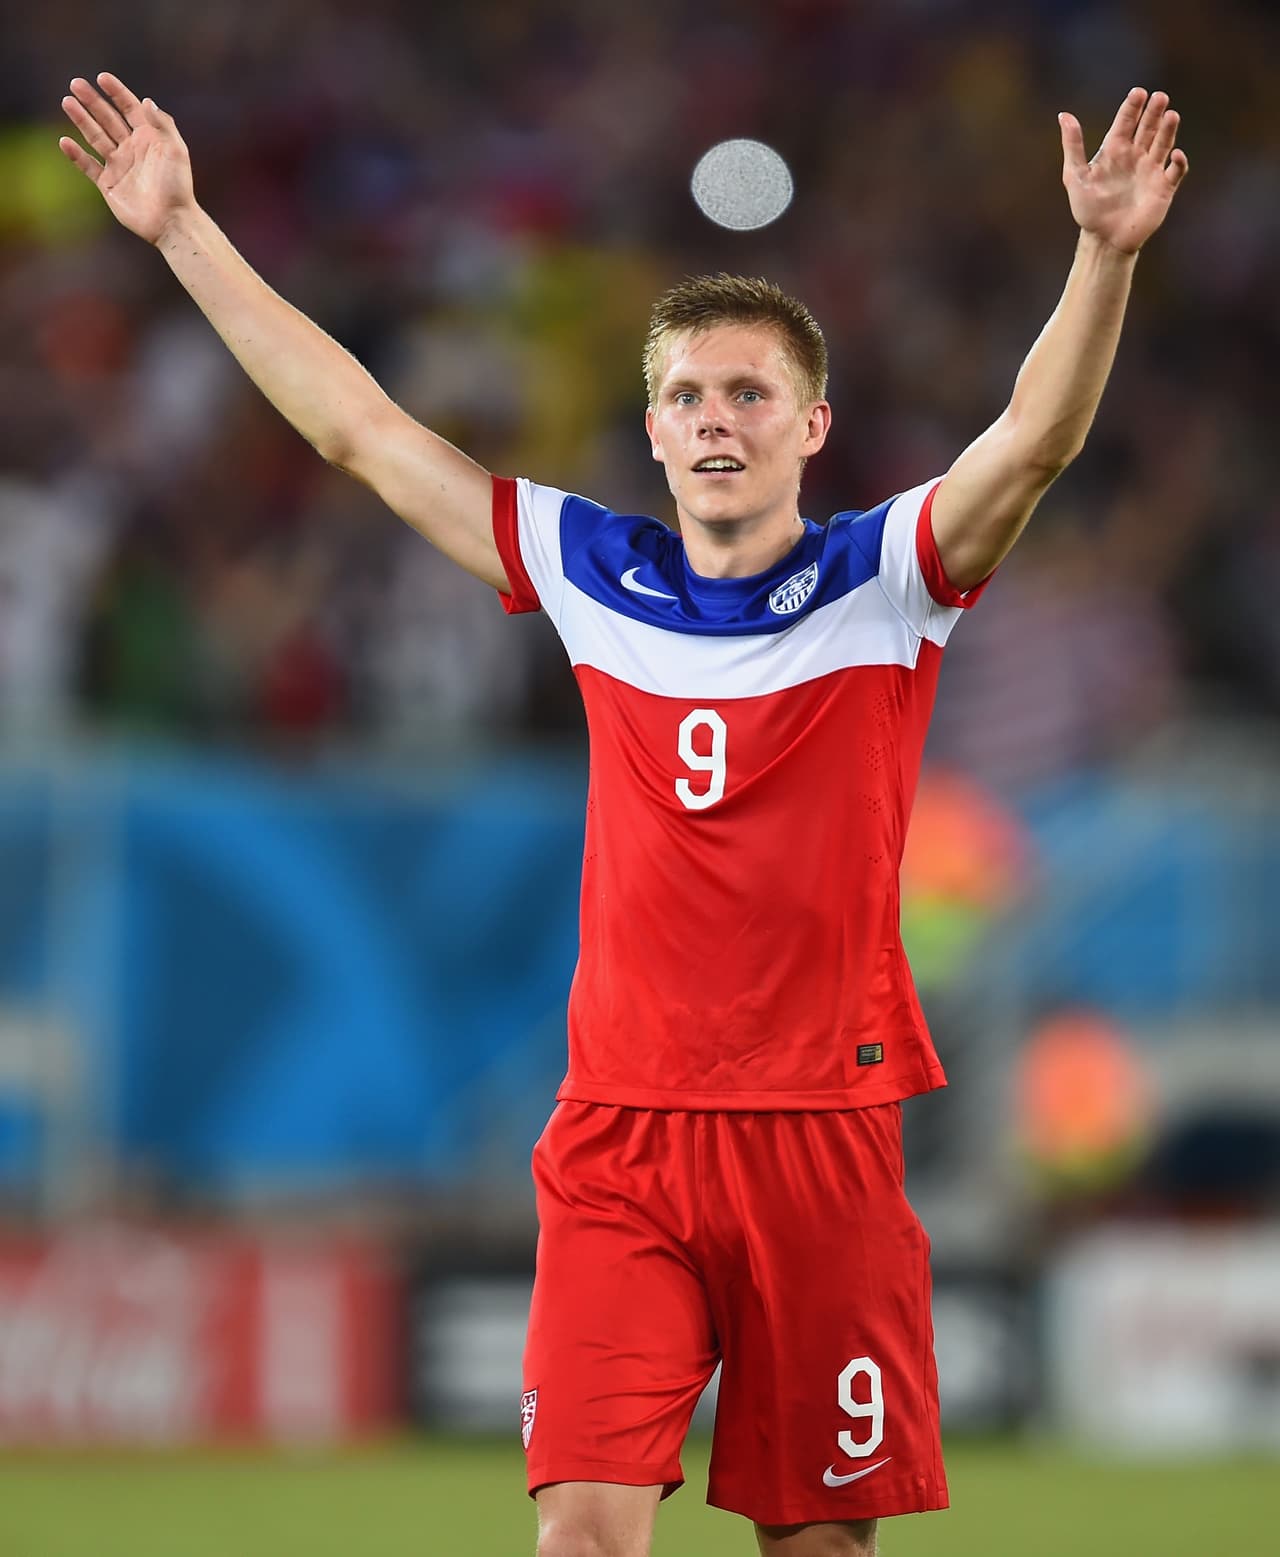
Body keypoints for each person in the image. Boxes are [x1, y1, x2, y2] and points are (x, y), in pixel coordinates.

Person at [59, 73, 1187, 1556]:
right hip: (623, 1139)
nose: (715, 418)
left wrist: (1103, 256)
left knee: (824, 1546)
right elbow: (365, 433)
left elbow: (1032, 443)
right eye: (686, 396)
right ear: (652, 431)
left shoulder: (890, 577)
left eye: (748, 393)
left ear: (811, 424)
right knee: (583, 1528)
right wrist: (186, 228)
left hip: (822, 1135)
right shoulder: (594, 575)